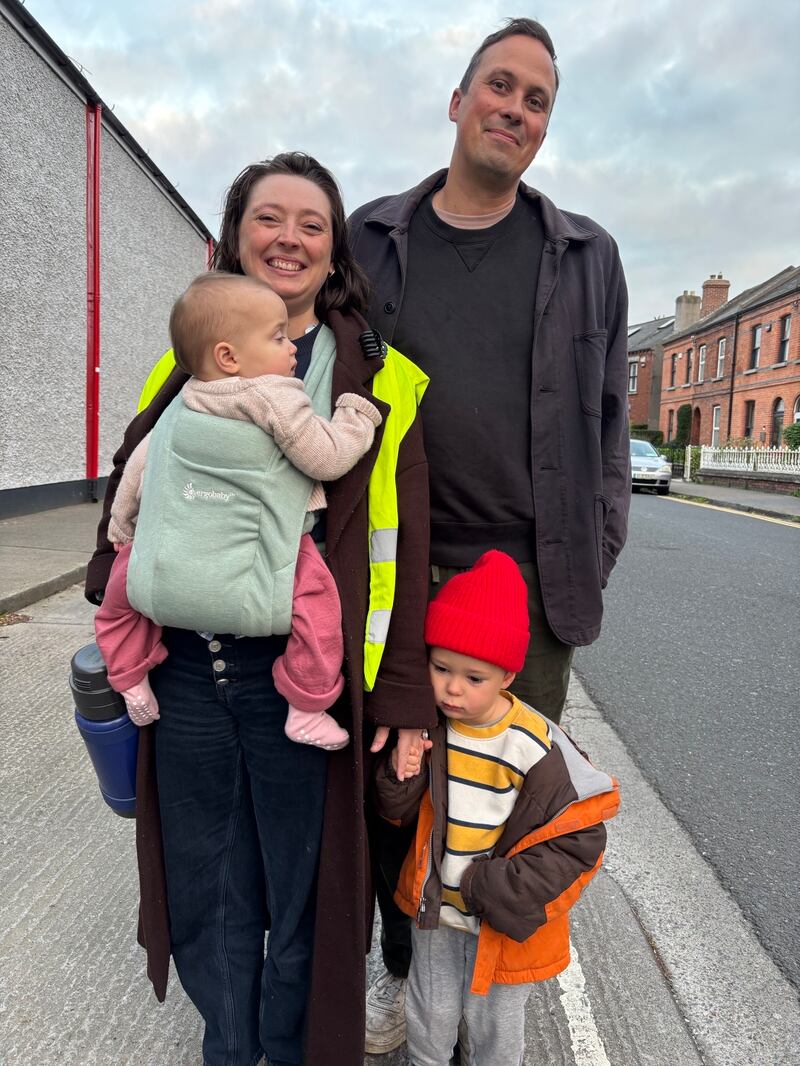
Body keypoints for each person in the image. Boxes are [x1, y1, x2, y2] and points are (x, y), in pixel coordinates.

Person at [85, 152, 437, 1066]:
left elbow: (405, 543)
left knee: (305, 896)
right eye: (268, 219)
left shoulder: (380, 377)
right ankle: (228, 1048)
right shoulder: (188, 356)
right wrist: (110, 580)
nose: (289, 238)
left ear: (335, 251)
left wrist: (402, 700)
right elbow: (136, 478)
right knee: (208, 893)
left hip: (303, 678)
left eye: (312, 223)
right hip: (186, 669)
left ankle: (287, 1050)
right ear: (236, 238)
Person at [349, 17, 630, 1050]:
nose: (514, 108)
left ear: (541, 126)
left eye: (536, 99)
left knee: (506, 805)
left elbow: (606, 421)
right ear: (458, 100)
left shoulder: (584, 254)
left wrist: (593, 546)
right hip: (395, 573)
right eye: (499, 86)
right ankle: (401, 972)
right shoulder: (372, 236)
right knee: (397, 793)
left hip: (528, 592)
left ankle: (483, 993)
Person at [94, 271, 383, 752]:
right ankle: (306, 705)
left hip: (176, 542)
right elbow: (326, 458)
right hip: (265, 545)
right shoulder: (274, 396)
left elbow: (145, 462)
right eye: (276, 337)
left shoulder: (181, 401)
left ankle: (128, 675)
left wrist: (123, 531)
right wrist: (357, 416)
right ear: (229, 357)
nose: (291, 346)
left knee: (120, 606)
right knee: (319, 610)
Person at [372, 551, 620, 1066]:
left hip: (499, 920)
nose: (453, 688)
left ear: (508, 675)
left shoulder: (536, 746)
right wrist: (403, 774)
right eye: (440, 668)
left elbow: (581, 836)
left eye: (473, 677)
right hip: (437, 912)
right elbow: (395, 814)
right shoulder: (429, 728)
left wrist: (501, 889)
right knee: (427, 1015)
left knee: (496, 1032)